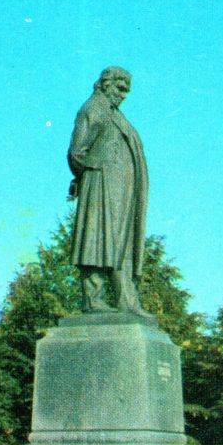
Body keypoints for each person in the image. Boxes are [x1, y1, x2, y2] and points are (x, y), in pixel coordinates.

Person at [67, 66, 152, 317]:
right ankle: (94, 299)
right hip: (102, 187)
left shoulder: (114, 113)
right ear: (106, 84)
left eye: (126, 90)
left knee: (120, 243)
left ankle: (127, 300)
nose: (123, 94)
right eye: (120, 88)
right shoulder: (93, 109)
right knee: (99, 241)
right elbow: (76, 152)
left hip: (120, 190)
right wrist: (95, 170)